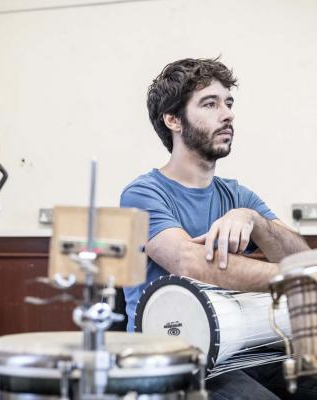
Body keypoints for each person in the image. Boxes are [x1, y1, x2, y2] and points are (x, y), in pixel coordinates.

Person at [120, 58, 314, 399]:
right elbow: (188, 263)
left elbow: (302, 259)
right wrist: (295, 278)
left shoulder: (238, 195)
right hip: (172, 358)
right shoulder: (142, 193)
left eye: (228, 103)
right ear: (173, 119)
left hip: (241, 347)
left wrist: (253, 220)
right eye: (210, 104)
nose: (227, 114)